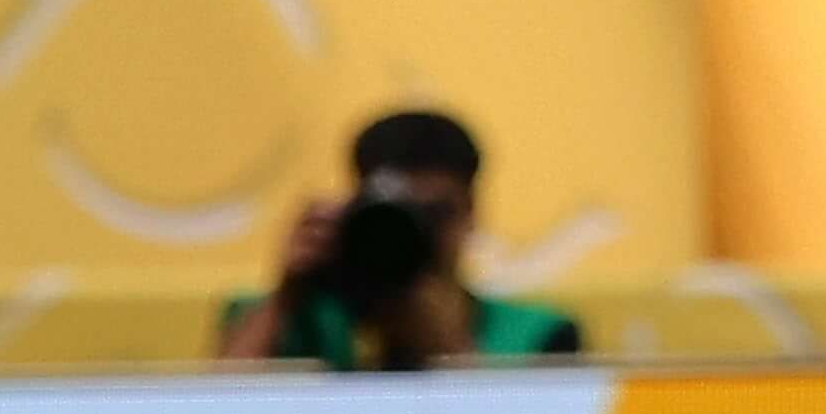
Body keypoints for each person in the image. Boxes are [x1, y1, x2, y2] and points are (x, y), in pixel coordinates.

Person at [219, 108, 584, 367]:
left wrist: (450, 350)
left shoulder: (540, 338)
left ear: (471, 212)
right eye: (399, 213)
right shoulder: (288, 320)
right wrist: (286, 295)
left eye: (434, 214)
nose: (416, 231)